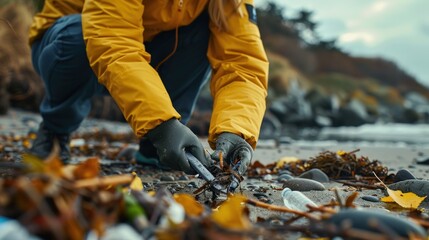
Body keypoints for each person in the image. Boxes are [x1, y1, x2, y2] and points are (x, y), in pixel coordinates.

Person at [28, 0, 268, 176]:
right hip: (69, 46)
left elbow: (241, 64)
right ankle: (55, 130)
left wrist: (236, 130)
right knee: (77, 35)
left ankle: (157, 149)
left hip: (146, 50)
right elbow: (112, 42)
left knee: (209, 28)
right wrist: (160, 124)